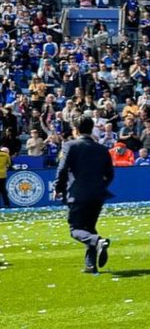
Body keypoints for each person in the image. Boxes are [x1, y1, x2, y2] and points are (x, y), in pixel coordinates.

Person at [53, 117, 114, 273]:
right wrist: (100, 186)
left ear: (76, 130)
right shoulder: (101, 149)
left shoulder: (70, 146)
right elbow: (110, 173)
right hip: (97, 194)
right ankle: (90, 264)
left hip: (78, 194)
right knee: (89, 228)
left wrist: (58, 188)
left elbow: (62, 169)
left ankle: (98, 241)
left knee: (76, 229)